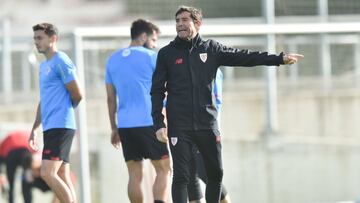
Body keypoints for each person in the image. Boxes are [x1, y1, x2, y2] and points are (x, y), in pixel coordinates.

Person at [151, 5, 304, 203]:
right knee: (181, 176)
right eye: (177, 21)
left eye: (184, 20)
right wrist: (158, 123)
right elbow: (156, 90)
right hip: (179, 126)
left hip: (207, 124)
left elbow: (246, 57)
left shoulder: (212, 49)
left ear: (198, 23)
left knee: (216, 175)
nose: (180, 24)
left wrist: (279, 59)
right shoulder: (166, 54)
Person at [105, 19, 171, 203]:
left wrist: (114, 128)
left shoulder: (112, 60)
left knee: (134, 175)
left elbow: (110, 99)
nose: (155, 45)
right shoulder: (151, 57)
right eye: (154, 39)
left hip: (125, 125)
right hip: (150, 123)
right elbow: (165, 90)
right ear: (143, 37)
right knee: (164, 169)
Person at [29, 23, 83, 203]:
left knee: (46, 172)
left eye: (40, 38)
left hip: (61, 125)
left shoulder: (61, 60)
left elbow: (78, 94)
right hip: (51, 126)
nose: (36, 42)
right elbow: (44, 100)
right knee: (62, 174)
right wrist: (35, 127)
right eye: (35, 38)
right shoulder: (44, 66)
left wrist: (63, 111)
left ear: (53, 39)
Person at [187, 70, 231, 203]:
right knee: (190, 178)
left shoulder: (208, 68)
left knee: (207, 175)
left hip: (204, 130)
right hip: (189, 129)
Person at [0, 130, 59, 203]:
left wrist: (2, 174)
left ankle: (12, 200)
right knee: (24, 180)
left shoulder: (10, 139)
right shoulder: (26, 140)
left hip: (14, 153)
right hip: (22, 153)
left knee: (13, 182)